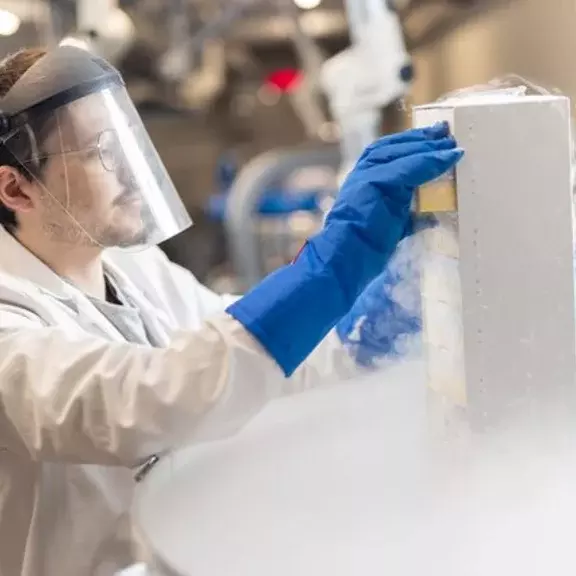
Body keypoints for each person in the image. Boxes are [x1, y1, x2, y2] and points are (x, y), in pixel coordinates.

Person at [0, 46, 462, 576]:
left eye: (127, 141)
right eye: (103, 150)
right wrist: (328, 273)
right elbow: (149, 400)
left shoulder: (138, 268)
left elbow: (245, 366)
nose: (131, 171)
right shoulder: (9, 319)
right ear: (16, 189)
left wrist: (364, 328)